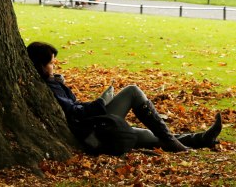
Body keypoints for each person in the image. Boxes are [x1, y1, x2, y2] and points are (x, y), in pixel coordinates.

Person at [26, 42, 222, 154]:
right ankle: (175, 142)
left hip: (92, 126)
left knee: (151, 137)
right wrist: (101, 102)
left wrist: (59, 81)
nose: (55, 67)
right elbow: (74, 112)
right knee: (132, 91)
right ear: (41, 65)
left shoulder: (51, 82)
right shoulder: (48, 86)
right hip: (90, 130)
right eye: (52, 64)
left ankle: (202, 139)